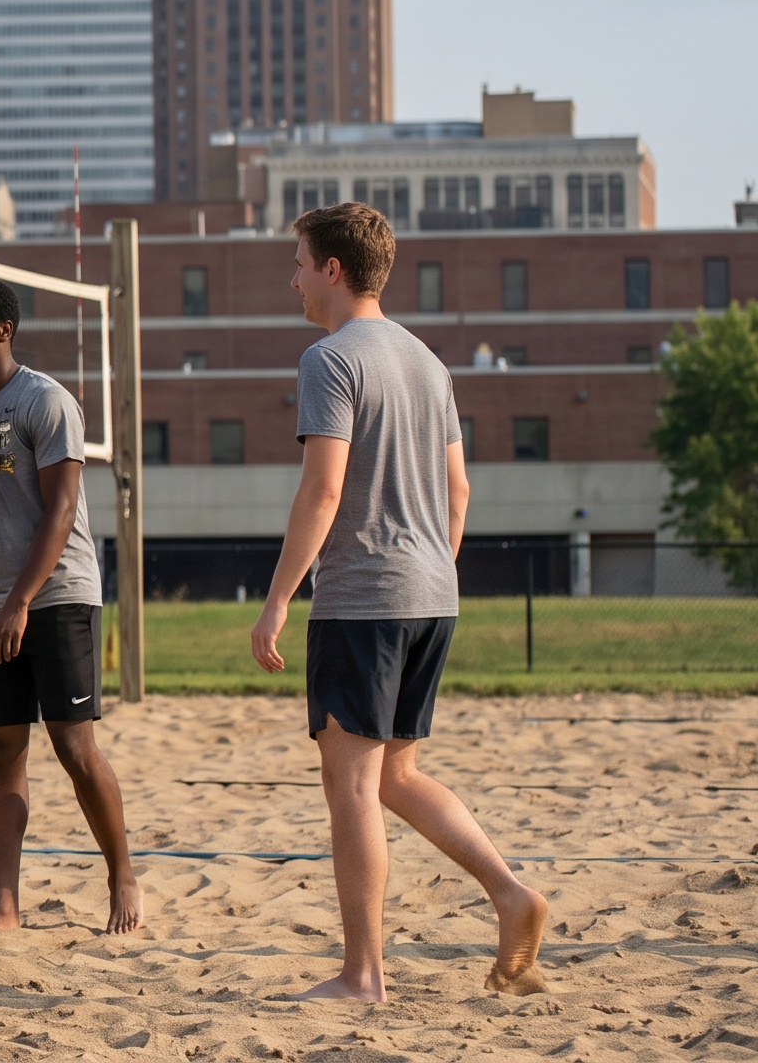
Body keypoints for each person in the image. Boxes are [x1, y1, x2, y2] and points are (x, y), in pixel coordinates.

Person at [251, 202, 549, 1001]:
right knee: (397, 776)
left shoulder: (331, 357)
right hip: (431, 594)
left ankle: (363, 975)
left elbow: (323, 489)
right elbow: (459, 490)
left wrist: (278, 598)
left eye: (302, 264)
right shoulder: (428, 362)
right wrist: (430, 570)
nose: (295, 279)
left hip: (364, 599)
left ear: (335, 270)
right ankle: (512, 893)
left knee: (351, 786)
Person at [0, 275, 144, 936]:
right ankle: (3, 908)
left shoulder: (46, 401)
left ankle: (121, 874)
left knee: (74, 748)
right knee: (0, 751)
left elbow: (62, 510)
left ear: (4, 331)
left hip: (59, 594)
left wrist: (22, 600)